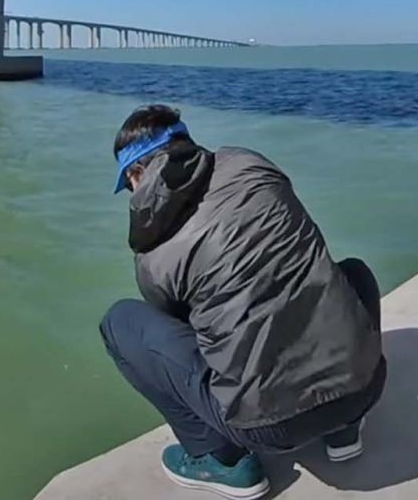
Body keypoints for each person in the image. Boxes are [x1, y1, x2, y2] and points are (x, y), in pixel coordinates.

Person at [98, 105, 386, 499]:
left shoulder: (151, 257)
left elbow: (185, 335)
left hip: (267, 427)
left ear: (135, 175)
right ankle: (343, 427)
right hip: (363, 388)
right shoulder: (250, 162)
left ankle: (222, 459)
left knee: (120, 323)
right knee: (352, 271)